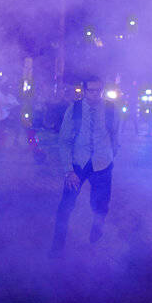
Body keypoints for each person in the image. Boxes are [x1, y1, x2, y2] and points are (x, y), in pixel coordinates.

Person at [50, 76, 120, 256]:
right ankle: (57, 245)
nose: (95, 94)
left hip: (103, 163)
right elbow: (64, 141)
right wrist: (68, 171)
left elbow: (115, 135)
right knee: (65, 206)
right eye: (91, 90)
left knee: (101, 204)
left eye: (98, 90)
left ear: (102, 91)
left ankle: (97, 227)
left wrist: (111, 156)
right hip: (79, 163)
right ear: (84, 91)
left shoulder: (111, 109)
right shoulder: (75, 110)